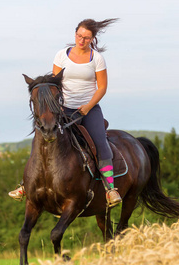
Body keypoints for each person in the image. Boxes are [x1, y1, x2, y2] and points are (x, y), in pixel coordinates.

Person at [9, 18, 122, 207]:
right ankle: (25, 185)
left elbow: (102, 87)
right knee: (41, 140)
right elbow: (55, 84)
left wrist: (87, 107)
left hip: (88, 109)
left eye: (86, 37)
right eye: (79, 35)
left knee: (101, 143)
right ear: (75, 33)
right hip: (63, 109)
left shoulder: (97, 59)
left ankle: (110, 189)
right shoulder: (61, 55)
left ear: (92, 39)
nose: (81, 40)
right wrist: (56, 107)